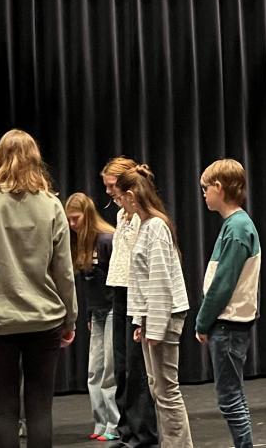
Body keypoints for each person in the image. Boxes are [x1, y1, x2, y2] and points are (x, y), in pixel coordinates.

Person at [0, 129, 77, 448]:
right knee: (40, 409)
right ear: (36, 160)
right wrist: (70, 318)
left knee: (3, 409)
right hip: (45, 320)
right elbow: (64, 271)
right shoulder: (51, 205)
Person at [116, 164, 194, 448]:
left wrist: (156, 326)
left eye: (119, 198)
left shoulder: (156, 227)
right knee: (157, 388)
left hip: (166, 317)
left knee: (167, 390)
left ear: (131, 196)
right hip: (153, 318)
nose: (119, 204)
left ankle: (179, 446)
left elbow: (160, 281)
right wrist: (140, 321)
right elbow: (141, 282)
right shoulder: (147, 226)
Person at [194, 159, 262, 448]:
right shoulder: (234, 225)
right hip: (229, 323)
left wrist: (202, 321)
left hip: (228, 324)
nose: (204, 194)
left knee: (230, 398)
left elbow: (223, 285)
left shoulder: (236, 228)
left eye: (205, 188)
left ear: (219, 188)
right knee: (234, 394)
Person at [102, 156, 160, 448]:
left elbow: (144, 265)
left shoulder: (142, 217)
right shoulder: (121, 216)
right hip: (119, 293)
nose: (109, 192)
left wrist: (144, 310)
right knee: (121, 367)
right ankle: (125, 431)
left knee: (137, 370)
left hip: (136, 294)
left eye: (112, 185)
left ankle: (143, 435)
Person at [65, 192, 119, 442]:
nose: (72, 225)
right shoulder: (80, 244)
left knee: (109, 369)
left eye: (75, 219)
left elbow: (118, 281)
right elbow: (87, 285)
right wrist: (87, 313)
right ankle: (100, 421)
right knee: (93, 370)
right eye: (69, 220)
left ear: (86, 215)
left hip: (111, 311)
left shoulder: (107, 239)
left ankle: (114, 423)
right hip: (96, 313)